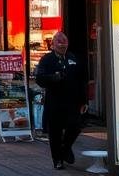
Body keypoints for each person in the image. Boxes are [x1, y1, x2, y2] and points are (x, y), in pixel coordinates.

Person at [35, 32, 88, 170]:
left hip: (72, 101)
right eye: (59, 43)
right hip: (54, 101)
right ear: (53, 44)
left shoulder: (72, 58)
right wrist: (53, 78)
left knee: (75, 126)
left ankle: (65, 148)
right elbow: (39, 79)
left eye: (65, 43)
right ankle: (57, 159)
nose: (62, 45)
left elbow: (82, 80)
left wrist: (84, 101)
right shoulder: (47, 59)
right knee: (55, 132)